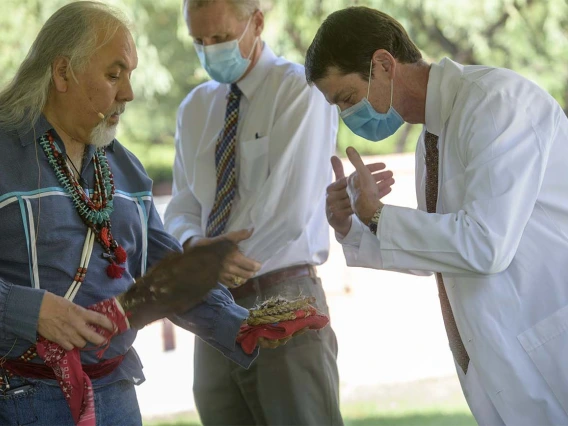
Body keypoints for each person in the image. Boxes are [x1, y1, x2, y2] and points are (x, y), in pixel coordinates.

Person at [0, 2, 264, 425]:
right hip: (22, 398)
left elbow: (163, 274)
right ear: (63, 72)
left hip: (117, 392)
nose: (129, 93)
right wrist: (29, 311)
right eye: (113, 74)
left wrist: (246, 325)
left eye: (130, 74)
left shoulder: (125, 169)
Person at [305, 5, 568, 426]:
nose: (347, 117)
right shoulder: (431, 139)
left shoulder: (496, 104)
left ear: (384, 64)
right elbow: (444, 250)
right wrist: (353, 225)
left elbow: (485, 245)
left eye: (348, 99)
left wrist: (379, 217)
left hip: (551, 344)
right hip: (501, 360)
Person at [163, 0, 343, 424]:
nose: (209, 50)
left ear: (257, 22)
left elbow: (291, 206)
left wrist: (218, 264)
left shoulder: (300, 89)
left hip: (282, 296)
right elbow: (184, 204)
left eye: (220, 38)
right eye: (199, 41)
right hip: (212, 305)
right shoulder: (194, 109)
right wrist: (193, 247)